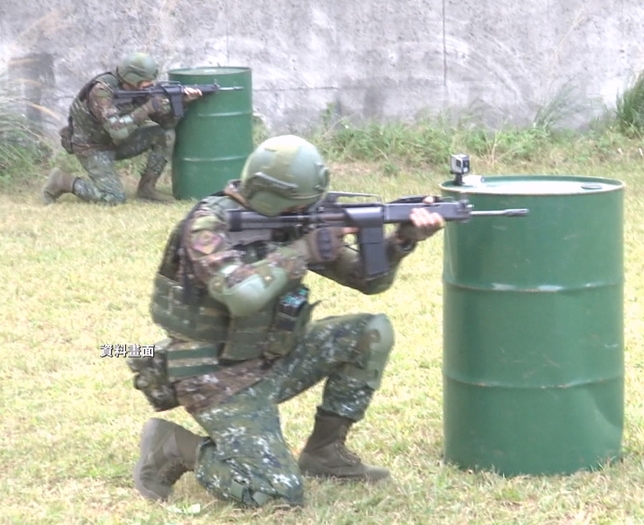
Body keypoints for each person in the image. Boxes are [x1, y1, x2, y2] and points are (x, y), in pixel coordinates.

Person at [130, 134, 444, 509]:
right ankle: (173, 446)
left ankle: (324, 452)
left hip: (274, 357)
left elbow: (368, 280)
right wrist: (303, 250)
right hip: (216, 377)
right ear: (273, 197)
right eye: (301, 203)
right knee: (276, 494)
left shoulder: (292, 220)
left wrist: (402, 241)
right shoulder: (207, 228)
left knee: (370, 332)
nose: (309, 210)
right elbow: (240, 294)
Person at [42, 51, 203, 205]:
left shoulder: (140, 89)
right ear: (132, 78)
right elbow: (117, 131)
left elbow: (167, 124)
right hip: (92, 147)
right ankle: (62, 181)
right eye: (146, 81)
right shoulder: (101, 91)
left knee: (164, 134)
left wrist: (181, 102)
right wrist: (147, 108)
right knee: (113, 198)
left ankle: (147, 188)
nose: (150, 85)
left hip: (117, 143)